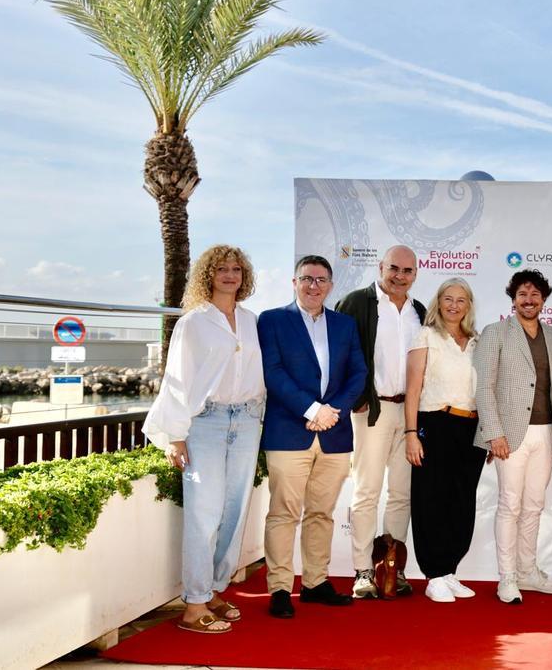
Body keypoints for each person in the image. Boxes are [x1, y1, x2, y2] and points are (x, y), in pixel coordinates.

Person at [144, 245, 265, 634]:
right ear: (207, 275)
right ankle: (194, 605)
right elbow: (178, 379)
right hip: (206, 425)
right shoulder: (193, 323)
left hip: (246, 422)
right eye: (221, 269)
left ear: (244, 276)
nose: (230, 275)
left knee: (233, 512)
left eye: (236, 269)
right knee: (203, 514)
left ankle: (214, 589)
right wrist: (176, 436)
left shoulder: (250, 320)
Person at [258, 255, 367, 619]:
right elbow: (273, 373)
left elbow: (358, 373)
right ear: (294, 282)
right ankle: (279, 588)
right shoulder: (272, 321)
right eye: (306, 278)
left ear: (331, 286)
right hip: (290, 431)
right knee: (283, 513)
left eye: (321, 280)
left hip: (334, 433)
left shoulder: (345, 324)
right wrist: (311, 410)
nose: (314, 285)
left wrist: (331, 410)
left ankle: (315, 583)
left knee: (321, 513)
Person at [336, 245, 426, 599]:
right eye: (394, 268)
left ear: (416, 274)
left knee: (402, 494)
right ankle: (361, 570)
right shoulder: (357, 302)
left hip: (410, 414)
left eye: (407, 270)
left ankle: (392, 567)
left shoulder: (419, 311)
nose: (400, 276)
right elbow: (340, 352)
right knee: (367, 491)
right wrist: (353, 399)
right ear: (380, 266)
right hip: (372, 410)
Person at [474, 270, 552, 604]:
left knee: (534, 505)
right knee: (510, 504)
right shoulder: (495, 332)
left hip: (547, 432)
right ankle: (507, 577)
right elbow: (483, 387)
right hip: (509, 435)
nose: (529, 300)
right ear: (513, 299)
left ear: (544, 299)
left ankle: (527, 571)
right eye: (523, 294)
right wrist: (493, 433)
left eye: (535, 294)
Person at [404, 278, 486, 603]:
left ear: (469, 305)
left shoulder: (478, 342)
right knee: (430, 500)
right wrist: (411, 434)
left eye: (461, 300)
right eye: (448, 299)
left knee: (462, 501)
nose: (454, 305)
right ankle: (434, 573)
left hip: (471, 428)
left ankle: (450, 569)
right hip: (434, 423)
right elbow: (412, 389)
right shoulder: (426, 336)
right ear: (439, 302)